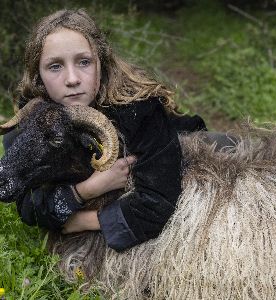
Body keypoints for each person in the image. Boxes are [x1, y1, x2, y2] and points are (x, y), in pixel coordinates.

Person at [3, 9, 209, 252]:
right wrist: (89, 189)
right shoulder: (37, 121)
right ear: (38, 75)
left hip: (189, 140)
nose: (72, 79)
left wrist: (83, 221)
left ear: (101, 62)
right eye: (55, 66)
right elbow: (28, 204)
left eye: (84, 62)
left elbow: (159, 202)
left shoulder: (138, 110)